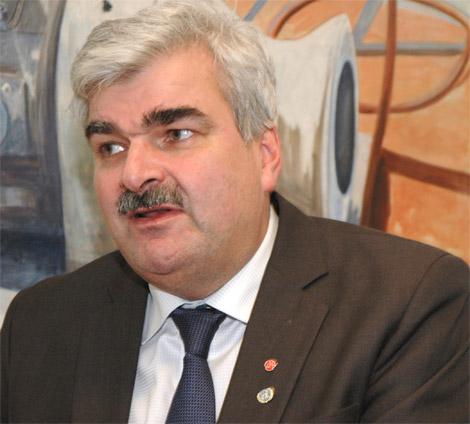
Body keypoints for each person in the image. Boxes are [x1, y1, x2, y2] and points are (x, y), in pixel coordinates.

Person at [1, 0, 468, 422]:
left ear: (265, 154)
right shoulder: (40, 325)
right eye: (111, 146)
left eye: (176, 134)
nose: (135, 173)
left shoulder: (408, 305)